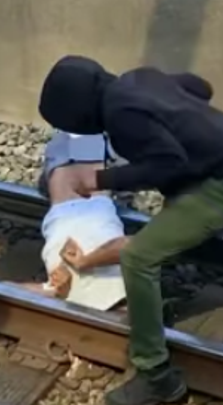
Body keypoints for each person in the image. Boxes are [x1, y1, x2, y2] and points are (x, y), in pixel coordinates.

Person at [37, 55, 223, 405]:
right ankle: (215, 245)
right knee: (172, 210)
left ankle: (158, 377)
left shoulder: (121, 118)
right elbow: (199, 88)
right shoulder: (138, 79)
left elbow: (168, 165)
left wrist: (102, 178)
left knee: (138, 259)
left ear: (81, 117)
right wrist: (187, 119)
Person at [7, 129, 130, 313]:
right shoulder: (131, 289)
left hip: (77, 203)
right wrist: (86, 262)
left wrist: (60, 291)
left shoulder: (67, 296)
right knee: (83, 149)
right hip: (88, 202)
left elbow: (4, 289)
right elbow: (131, 246)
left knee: (78, 148)